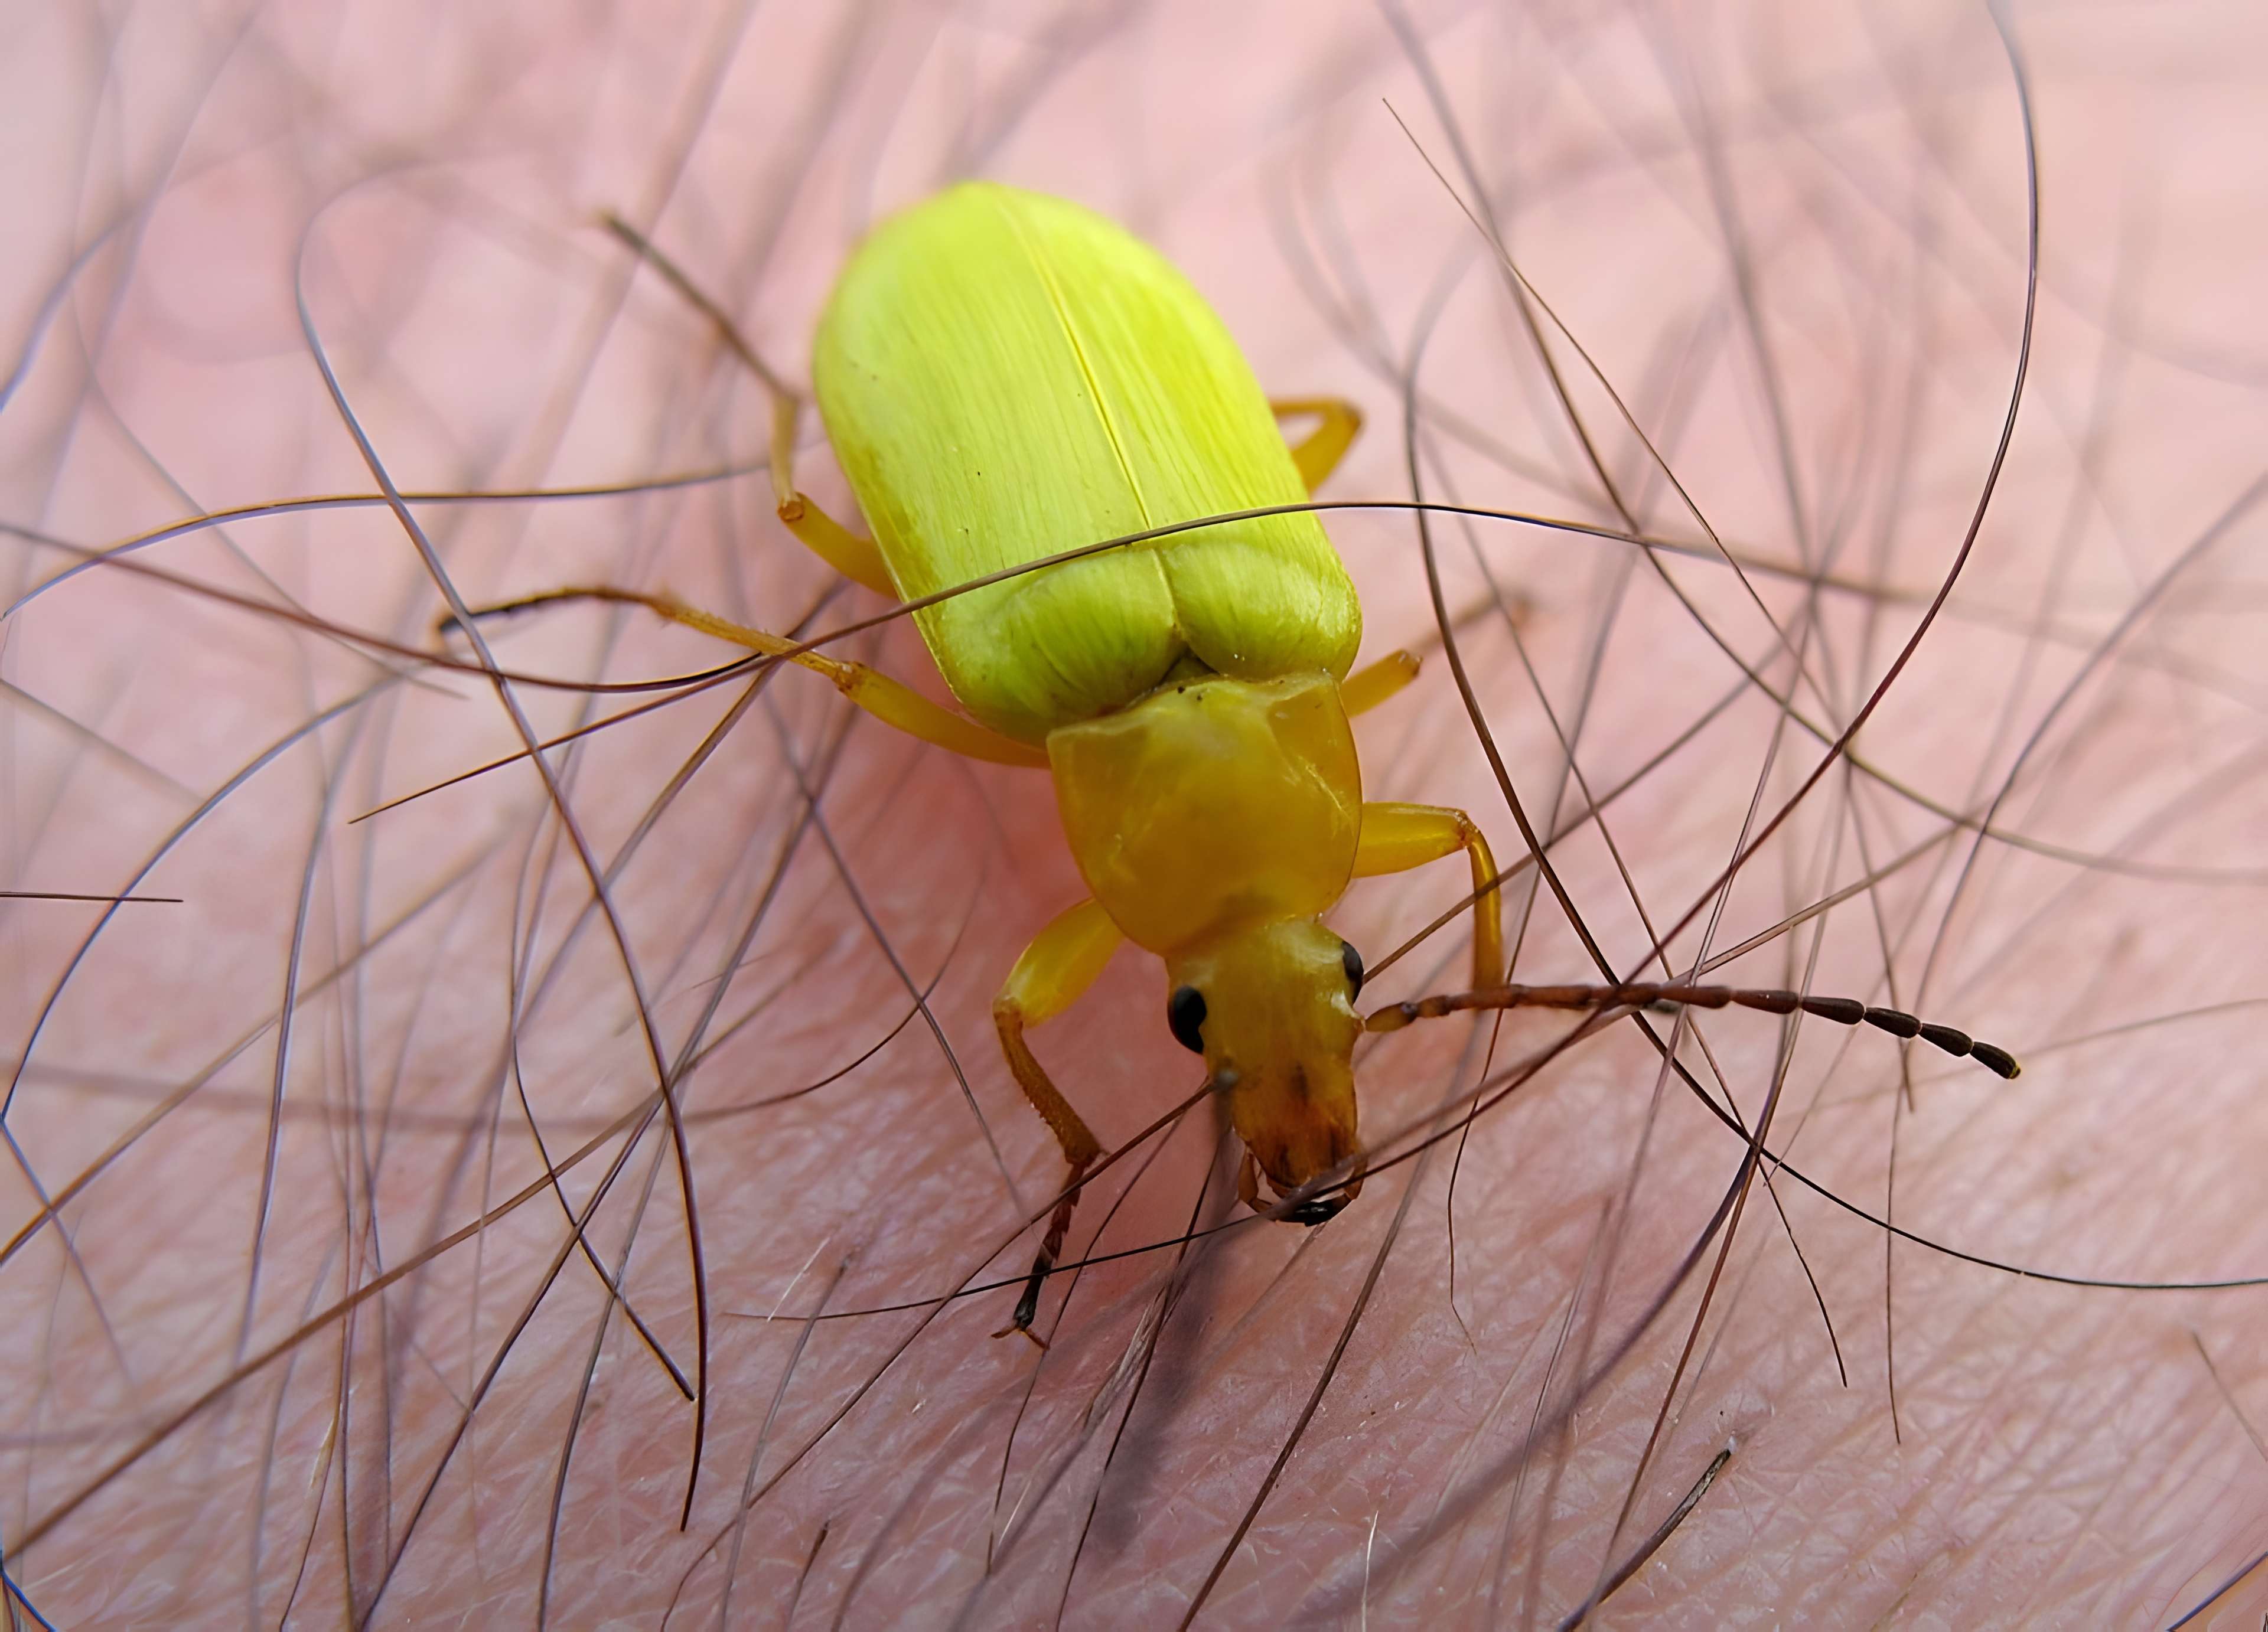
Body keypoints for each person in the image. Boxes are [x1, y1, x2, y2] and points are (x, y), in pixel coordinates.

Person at [4, 2, 2262, 1624]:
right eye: (1237, 1028)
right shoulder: (1197, 671)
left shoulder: (1235, 672)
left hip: (1053, 403)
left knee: (944, 542)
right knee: (837, 536)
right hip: (1027, 373)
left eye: (1255, 1021)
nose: (1295, 1063)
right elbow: (1431, 856)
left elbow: (1429, 855)